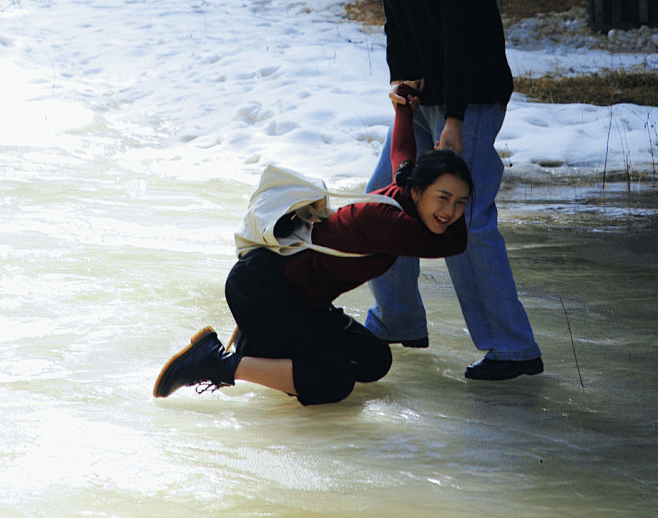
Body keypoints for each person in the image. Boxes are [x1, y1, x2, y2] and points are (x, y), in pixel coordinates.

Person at [152, 87, 473, 406]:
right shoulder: (390, 223)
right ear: (418, 191)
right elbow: (456, 241)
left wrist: (405, 108)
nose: (450, 212)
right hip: (264, 291)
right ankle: (213, 362)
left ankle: (260, 347)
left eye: (460, 202)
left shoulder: (403, 186)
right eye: (443, 198)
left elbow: (402, 152)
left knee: (374, 359)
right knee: (333, 382)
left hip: (302, 298)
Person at [364, 0, 544, 381]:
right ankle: (396, 319)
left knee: (466, 218)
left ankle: (513, 348)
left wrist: (456, 120)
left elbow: (464, 37)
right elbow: (399, 21)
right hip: (426, 97)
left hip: (472, 97)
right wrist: (401, 82)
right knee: (389, 201)